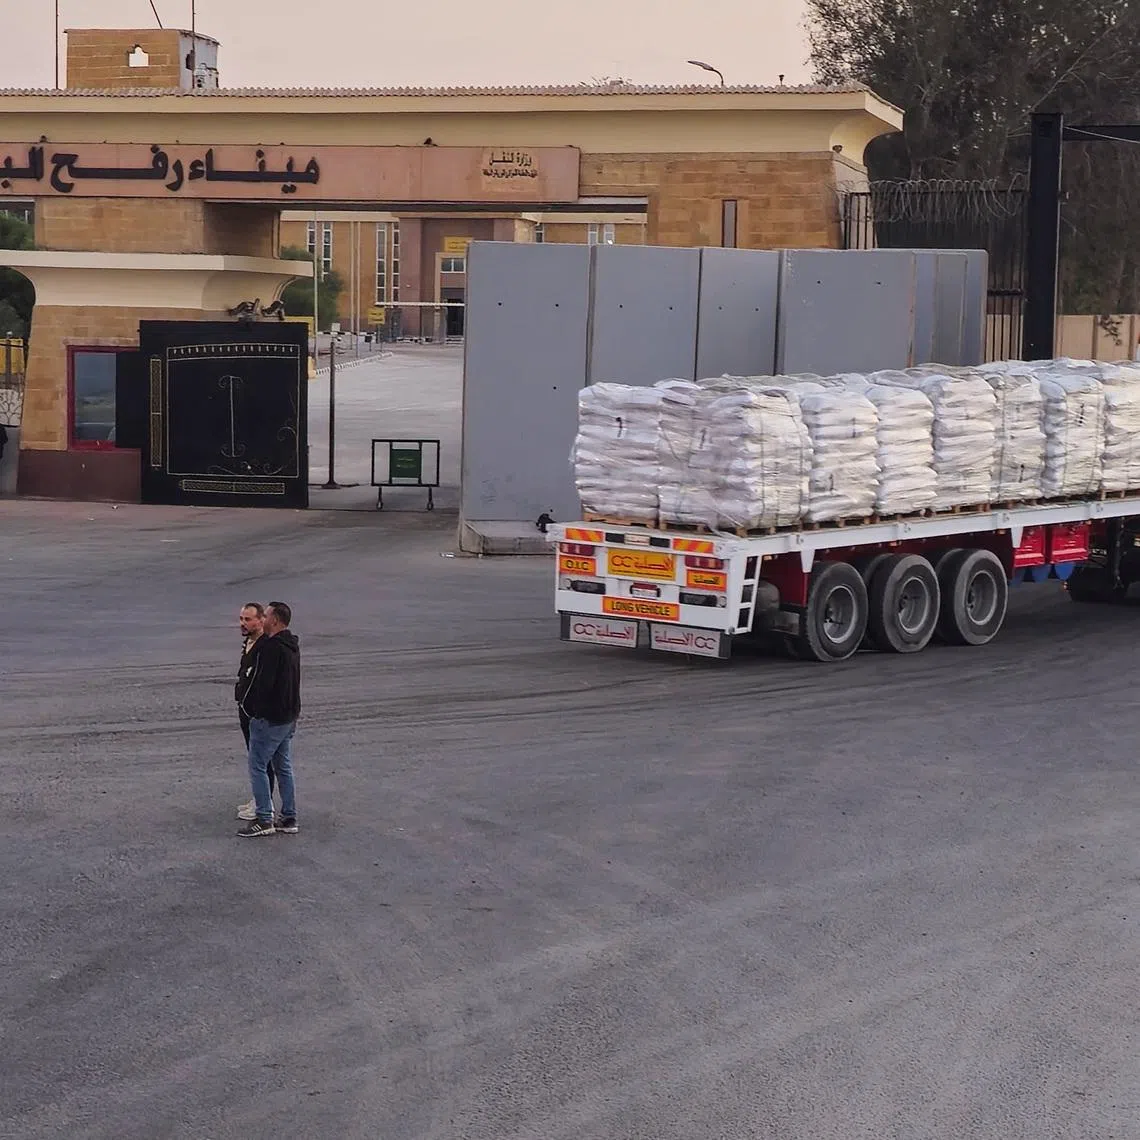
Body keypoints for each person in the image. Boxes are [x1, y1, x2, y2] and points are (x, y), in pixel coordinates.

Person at [237, 601, 300, 837]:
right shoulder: (291, 645)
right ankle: (289, 817)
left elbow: (261, 685)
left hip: (270, 719)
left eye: (267, 615)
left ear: (274, 620)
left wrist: (251, 708)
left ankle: (264, 819)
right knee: (283, 766)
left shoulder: (271, 648)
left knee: (257, 765)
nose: (264, 619)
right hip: (288, 717)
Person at [235, 603, 275, 822]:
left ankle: (264, 803)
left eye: (248, 619)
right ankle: (258, 797)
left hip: (257, 713)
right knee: (254, 756)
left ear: (261, 620)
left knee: (262, 760)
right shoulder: (248, 643)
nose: (243, 623)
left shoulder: (265, 647)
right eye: (241, 619)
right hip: (246, 710)